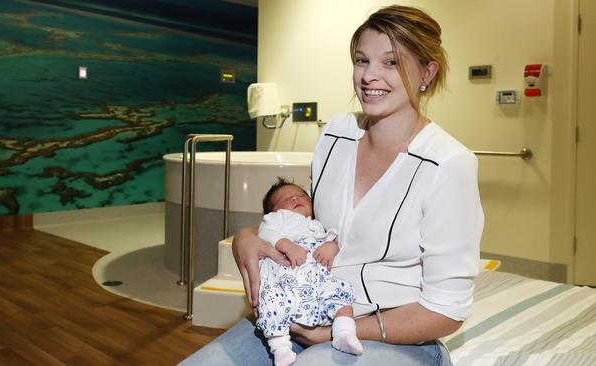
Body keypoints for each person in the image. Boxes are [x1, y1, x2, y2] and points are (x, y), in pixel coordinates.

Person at [179, 4, 483, 365]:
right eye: (361, 60)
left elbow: (446, 310)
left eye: (391, 62)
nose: (370, 76)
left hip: (393, 335)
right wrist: (247, 237)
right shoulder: (335, 136)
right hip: (306, 311)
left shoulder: (447, 164)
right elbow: (310, 224)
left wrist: (333, 331)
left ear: (427, 72)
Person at [256, 177, 362, 366]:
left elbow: (336, 241)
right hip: (284, 272)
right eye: (286, 199)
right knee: (273, 303)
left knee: (340, 292)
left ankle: (344, 332)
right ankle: (281, 349)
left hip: (316, 278)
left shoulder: (317, 224)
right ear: (273, 210)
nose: (296, 199)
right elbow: (266, 233)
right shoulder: (277, 219)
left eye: (301, 195)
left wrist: (331, 246)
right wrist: (287, 246)